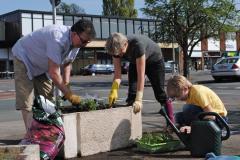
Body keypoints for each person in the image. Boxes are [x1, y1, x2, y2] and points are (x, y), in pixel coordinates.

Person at [12, 19, 96, 131]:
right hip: (24, 57)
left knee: (47, 99)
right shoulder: (57, 38)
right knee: (27, 100)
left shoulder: (77, 43)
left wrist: (66, 83)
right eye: (84, 41)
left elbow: (67, 63)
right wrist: (69, 94)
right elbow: (54, 73)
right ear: (74, 33)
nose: (84, 45)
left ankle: (47, 131)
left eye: (87, 42)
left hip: (42, 65)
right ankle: (31, 135)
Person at [105, 32, 174, 123]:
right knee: (132, 95)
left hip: (155, 62)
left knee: (159, 93)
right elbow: (118, 74)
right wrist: (114, 90)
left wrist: (139, 99)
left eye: (121, 52)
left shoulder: (138, 45)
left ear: (125, 44)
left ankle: (171, 121)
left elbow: (141, 76)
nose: (120, 56)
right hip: (135, 61)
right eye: (117, 54)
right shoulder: (116, 49)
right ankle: (132, 125)